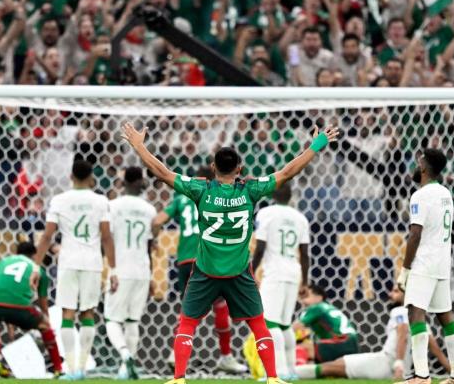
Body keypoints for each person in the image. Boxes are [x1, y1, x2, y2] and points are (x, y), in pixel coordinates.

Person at [119, 121, 340, 384]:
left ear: (212, 168)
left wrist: (139, 145)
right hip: (238, 272)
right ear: (240, 169)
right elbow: (288, 172)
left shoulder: (201, 189)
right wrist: (316, 144)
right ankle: (272, 378)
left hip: (205, 270)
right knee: (258, 323)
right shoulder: (250, 189)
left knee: (187, 323)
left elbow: (162, 172)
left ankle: (179, 378)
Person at [152, 166, 247, 375]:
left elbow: (157, 220)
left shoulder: (181, 197)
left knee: (190, 308)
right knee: (221, 305)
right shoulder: (217, 194)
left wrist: (154, 241)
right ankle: (226, 357)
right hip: (209, 257)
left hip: (185, 261)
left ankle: (173, 355)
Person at [35, 159, 116, 380]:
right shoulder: (101, 201)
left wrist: (36, 265)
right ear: (91, 178)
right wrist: (114, 270)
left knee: (67, 314)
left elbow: (47, 236)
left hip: (68, 261)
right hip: (92, 262)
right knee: (88, 312)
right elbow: (107, 237)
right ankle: (82, 367)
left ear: (71, 177)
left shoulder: (59, 200)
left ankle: (71, 369)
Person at [396, 148, 454, 384]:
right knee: (445, 317)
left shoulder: (420, 196)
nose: (416, 165)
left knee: (415, 311)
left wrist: (404, 270)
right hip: (443, 263)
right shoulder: (446, 193)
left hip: (424, 263)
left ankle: (422, 376)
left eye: (419, 162)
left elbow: (415, 234)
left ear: (424, 167)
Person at [295, 289, 450, 380]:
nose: (390, 294)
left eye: (396, 291)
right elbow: (435, 348)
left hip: (386, 363)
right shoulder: (420, 321)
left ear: (406, 295)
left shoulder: (399, 311)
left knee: (329, 368)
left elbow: (402, 331)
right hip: (401, 370)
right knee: (337, 365)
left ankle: (289, 374)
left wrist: (398, 364)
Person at [252, 183, 311, 378]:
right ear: (290, 196)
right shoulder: (300, 218)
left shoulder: (266, 214)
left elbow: (260, 247)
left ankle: (278, 372)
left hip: (275, 273)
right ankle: (291, 371)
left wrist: (251, 270)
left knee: (270, 323)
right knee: (285, 324)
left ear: (271, 194)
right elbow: (304, 254)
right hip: (293, 272)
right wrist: (305, 281)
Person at [0, 241, 63, 378]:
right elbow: (43, 302)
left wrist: (10, 324)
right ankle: (58, 369)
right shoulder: (38, 270)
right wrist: (46, 318)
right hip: (18, 306)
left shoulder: (4, 261)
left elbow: (5, 289)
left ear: (17, 252)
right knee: (44, 326)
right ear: (34, 255)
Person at [105, 166, 157, 380]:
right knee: (133, 321)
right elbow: (149, 245)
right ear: (141, 182)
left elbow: (106, 238)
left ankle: (125, 354)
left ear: (123, 182)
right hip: (142, 270)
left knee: (111, 319)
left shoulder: (112, 206)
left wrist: (112, 269)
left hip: (121, 268)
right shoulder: (149, 209)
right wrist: (152, 276)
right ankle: (124, 370)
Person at [294, 284, 359, 363]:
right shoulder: (328, 308)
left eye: (306, 297)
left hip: (341, 341)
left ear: (319, 297)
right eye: (301, 298)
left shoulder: (316, 308)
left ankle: (298, 373)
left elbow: (295, 328)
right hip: (352, 343)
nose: (303, 301)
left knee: (303, 348)